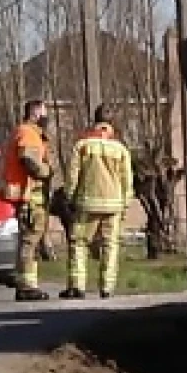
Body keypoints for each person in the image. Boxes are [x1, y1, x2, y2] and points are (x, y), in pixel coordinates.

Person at [60, 105, 133, 299]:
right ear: (112, 123)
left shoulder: (82, 145)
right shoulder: (120, 149)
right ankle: (107, 287)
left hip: (87, 203)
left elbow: (73, 175)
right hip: (114, 205)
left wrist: (69, 196)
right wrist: (125, 203)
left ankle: (77, 285)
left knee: (79, 243)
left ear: (95, 120)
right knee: (110, 245)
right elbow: (127, 180)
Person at [1, 98, 55, 301]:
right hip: (30, 195)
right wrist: (46, 171)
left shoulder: (25, 132)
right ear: (35, 113)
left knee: (29, 239)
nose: (46, 117)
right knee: (30, 240)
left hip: (28, 195)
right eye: (44, 112)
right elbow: (28, 161)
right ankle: (27, 285)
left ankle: (27, 283)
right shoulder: (29, 133)